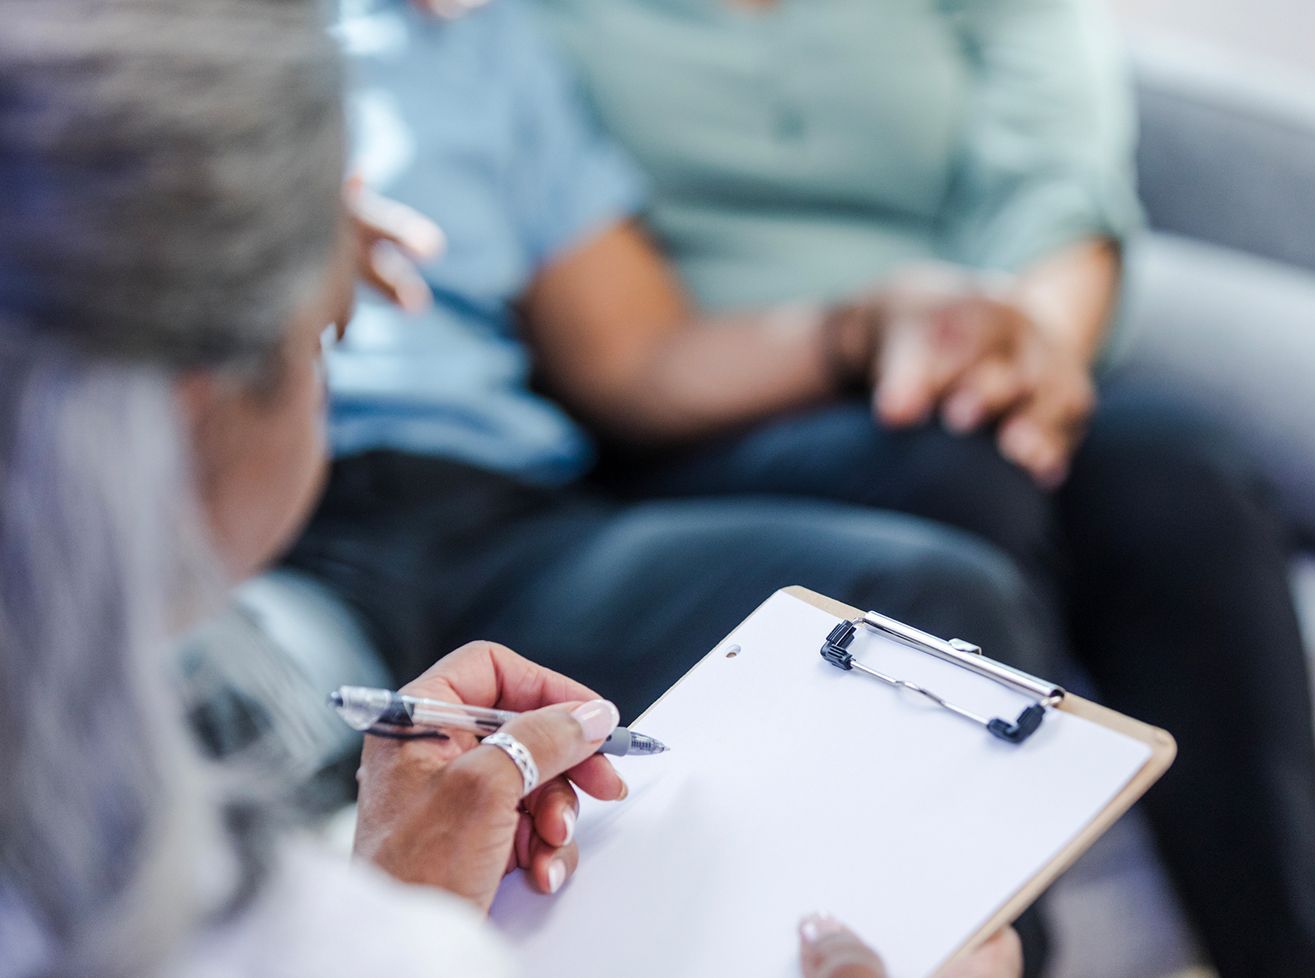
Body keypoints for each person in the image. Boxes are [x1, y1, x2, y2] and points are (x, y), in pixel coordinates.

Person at [0, 1, 1019, 976]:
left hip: (506, 514)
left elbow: (633, 353)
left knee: (924, 592)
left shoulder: (490, 47)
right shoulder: (113, 57)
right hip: (289, 545)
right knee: (236, 712)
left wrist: (857, 325)